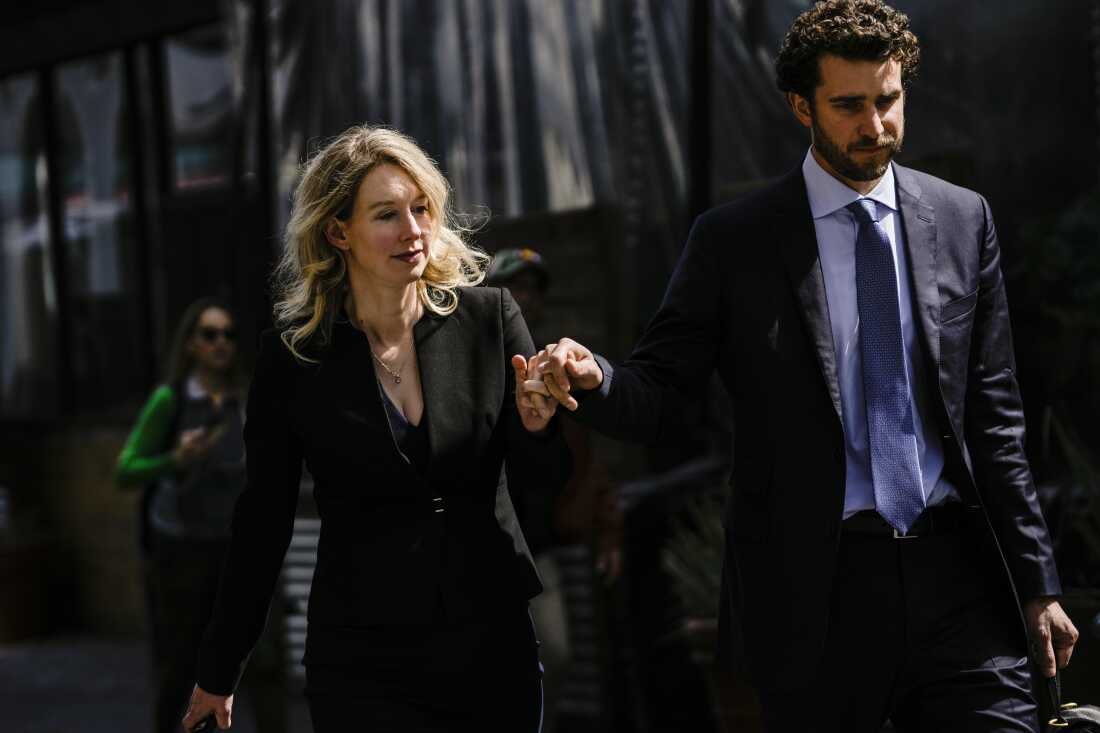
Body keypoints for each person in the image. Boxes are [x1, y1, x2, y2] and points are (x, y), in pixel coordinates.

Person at [520, 1, 1079, 730]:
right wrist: (595, 374)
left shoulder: (962, 219)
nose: (874, 126)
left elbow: (995, 420)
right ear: (800, 106)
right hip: (820, 590)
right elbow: (659, 392)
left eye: (887, 100)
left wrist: (1037, 583)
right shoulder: (734, 243)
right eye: (848, 106)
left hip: (960, 579)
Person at [181, 126, 571, 732]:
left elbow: (544, 479)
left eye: (421, 209)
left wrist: (539, 425)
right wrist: (219, 666)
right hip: (363, 656)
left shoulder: (490, 320)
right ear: (339, 233)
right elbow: (263, 520)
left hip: (490, 640)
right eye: (387, 214)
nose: (413, 231)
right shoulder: (294, 360)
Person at [116, 297, 283, 733]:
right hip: (184, 551)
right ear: (190, 344)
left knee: (262, 660)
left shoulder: (245, 398)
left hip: (239, 548)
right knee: (183, 666)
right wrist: (175, 458)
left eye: (228, 334)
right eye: (209, 335)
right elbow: (126, 470)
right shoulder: (170, 401)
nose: (220, 344)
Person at [486, 248, 623, 732]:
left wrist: (606, 529)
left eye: (532, 289)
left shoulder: (556, 366)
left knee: (560, 654)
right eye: (513, 288)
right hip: (477, 545)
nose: (524, 298)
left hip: (541, 545)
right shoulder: (469, 360)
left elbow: (587, 458)